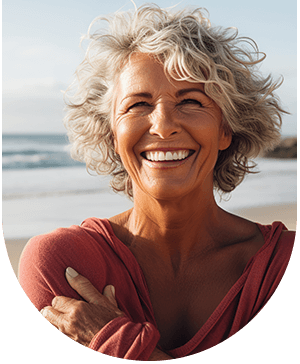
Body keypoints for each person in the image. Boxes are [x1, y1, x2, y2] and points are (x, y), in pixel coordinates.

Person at [19, 4, 295, 360]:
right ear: (110, 135)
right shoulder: (63, 263)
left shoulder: (281, 263)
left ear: (226, 129)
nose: (163, 125)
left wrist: (116, 341)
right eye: (138, 105)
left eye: (191, 101)